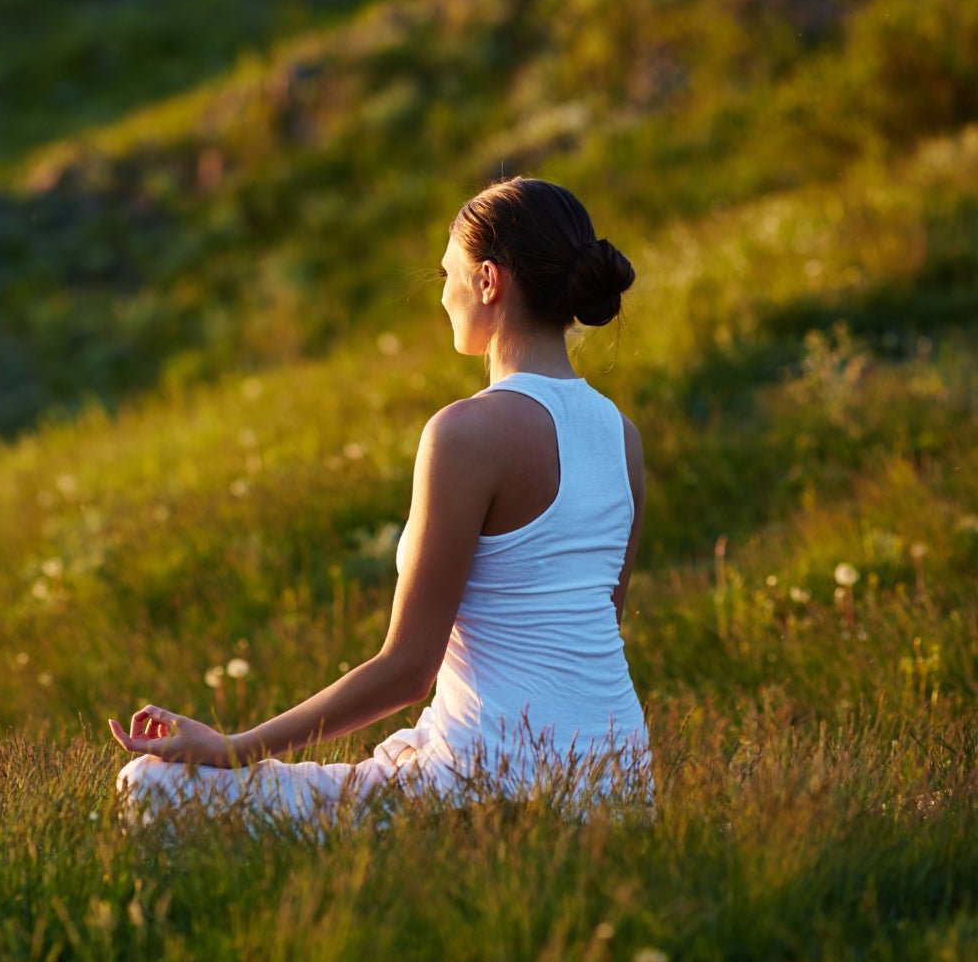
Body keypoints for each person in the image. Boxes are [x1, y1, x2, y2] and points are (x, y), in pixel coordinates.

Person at [110, 176, 651, 824]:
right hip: (620, 789)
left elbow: (406, 670)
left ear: (487, 280)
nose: (443, 294)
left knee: (149, 783)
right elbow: (589, 629)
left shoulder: (466, 433)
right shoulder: (622, 437)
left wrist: (232, 747)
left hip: (491, 788)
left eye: (447, 271)